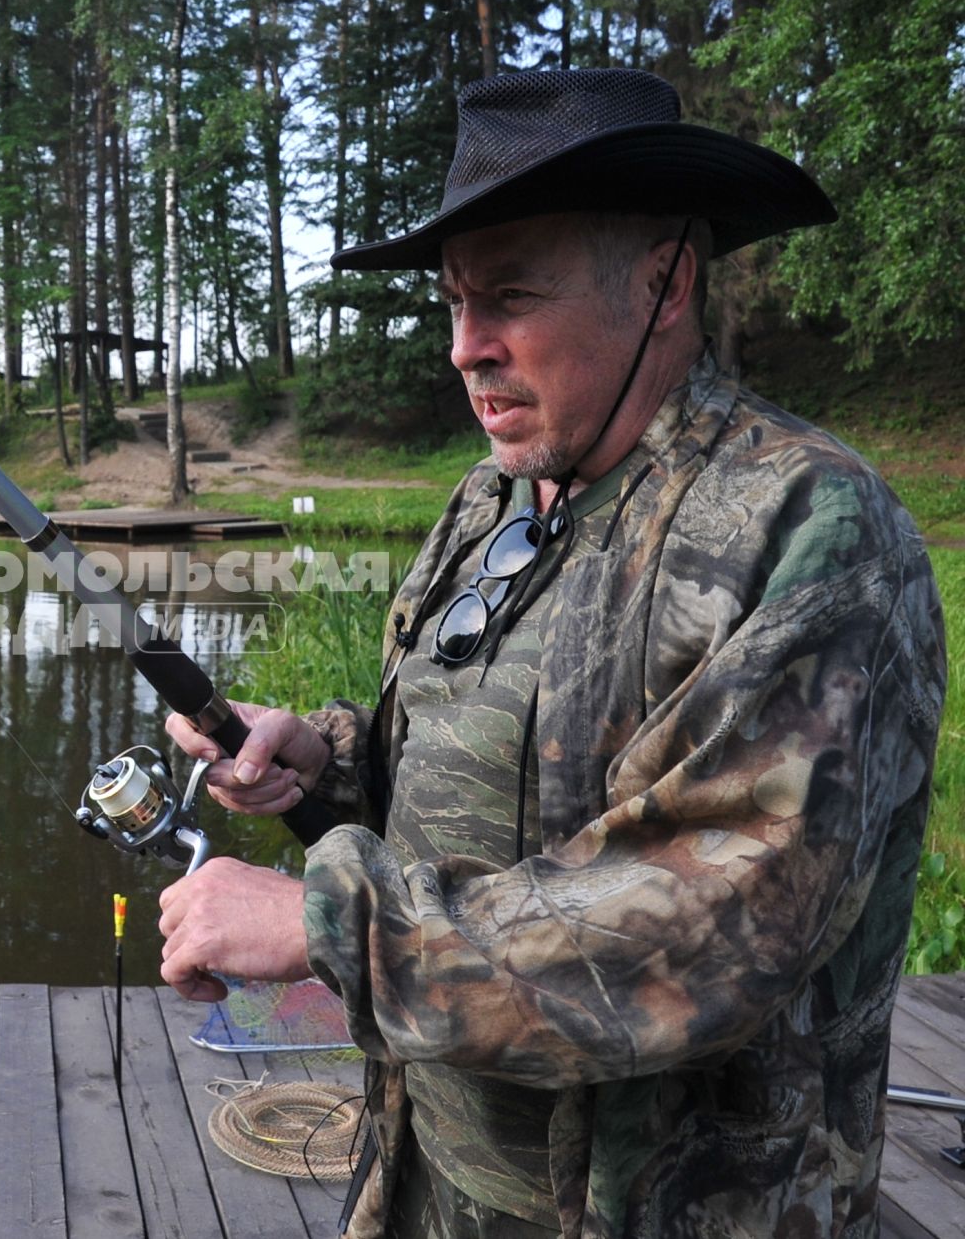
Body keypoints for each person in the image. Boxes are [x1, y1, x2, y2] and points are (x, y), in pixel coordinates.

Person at [156, 68, 948, 1238]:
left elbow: (707, 927)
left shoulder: (810, 531)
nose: (466, 349)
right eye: (455, 302)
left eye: (511, 297)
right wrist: (318, 762)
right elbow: (461, 764)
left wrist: (324, 917)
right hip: (429, 1185)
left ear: (665, 282)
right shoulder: (498, 499)